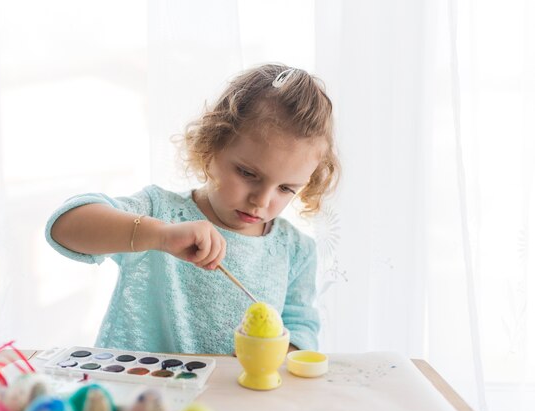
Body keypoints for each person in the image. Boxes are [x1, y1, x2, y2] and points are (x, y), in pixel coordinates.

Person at [45, 63, 340, 355]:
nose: (262, 201)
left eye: (286, 189)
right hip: (137, 395)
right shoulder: (160, 213)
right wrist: (160, 235)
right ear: (212, 146)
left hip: (233, 402)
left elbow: (301, 333)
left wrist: (273, 356)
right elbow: (63, 227)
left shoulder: (296, 251)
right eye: (248, 174)